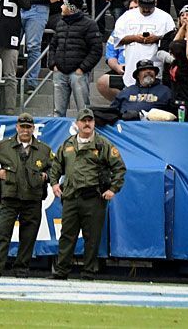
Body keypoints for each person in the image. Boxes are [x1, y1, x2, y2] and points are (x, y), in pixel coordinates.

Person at [50, 108, 126, 279]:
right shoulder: (68, 144)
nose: (87, 124)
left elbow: (119, 168)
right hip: (70, 197)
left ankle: (88, 271)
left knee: (92, 238)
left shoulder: (103, 144)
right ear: (77, 124)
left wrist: (113, 189)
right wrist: (54, 184)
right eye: (83, 121)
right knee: (67, 236)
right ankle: (61, 271)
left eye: (89, 121)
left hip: (94, 198)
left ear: (93, 123)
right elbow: (55, 166)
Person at [0, 113, 54, 276]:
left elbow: (55, 167)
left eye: (28, 127)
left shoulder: (44, 149)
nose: (25, 130)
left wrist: (46, 176)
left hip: (33, 198)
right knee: (2, 233)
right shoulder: (3, 146)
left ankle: (22, 267)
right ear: (17, 127)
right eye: (22, 127)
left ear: (33, 129)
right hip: (9, 197)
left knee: (28, 236)